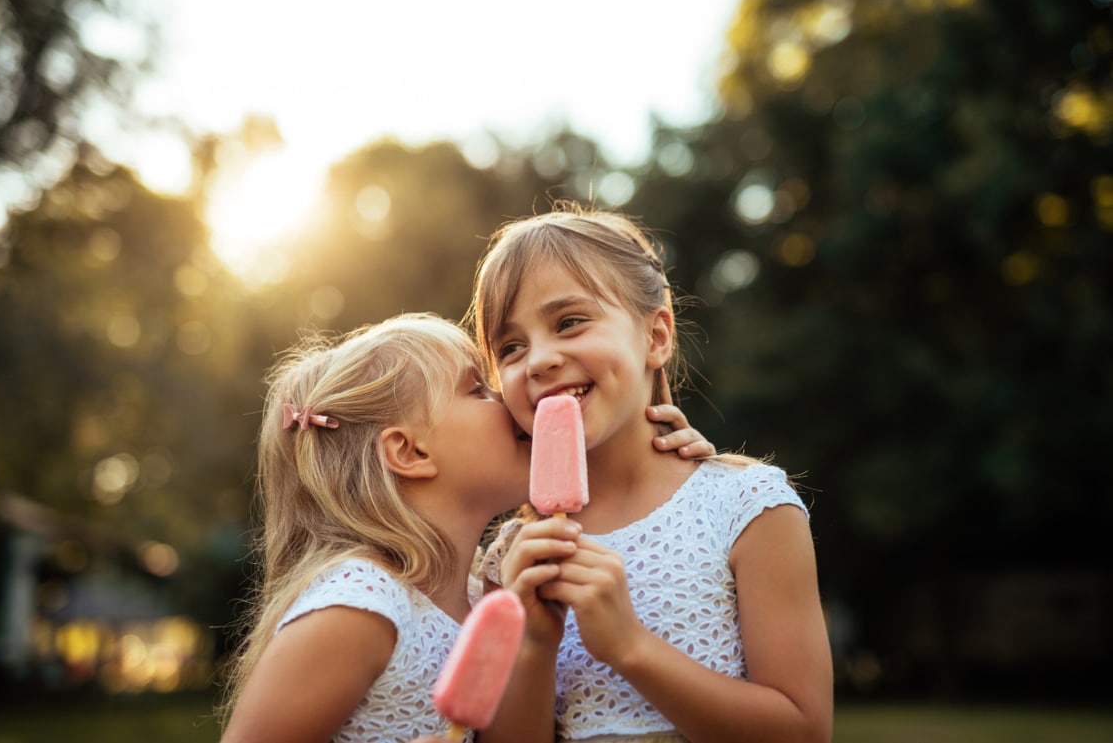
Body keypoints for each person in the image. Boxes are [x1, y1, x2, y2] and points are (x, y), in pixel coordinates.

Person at [217, 312, 716, 743]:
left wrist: (661, 463)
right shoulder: (362, 603)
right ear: (410, 452)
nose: (507, 398)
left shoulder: (483, 595)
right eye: (477, 390)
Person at [468, 203, 834, 743]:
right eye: (511, 347)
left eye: (569, 322)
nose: (539, 359)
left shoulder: (747, 506)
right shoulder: (514, 552)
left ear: (657, 336)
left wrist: (629, 646)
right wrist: (535, 644)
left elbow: (804, 731)